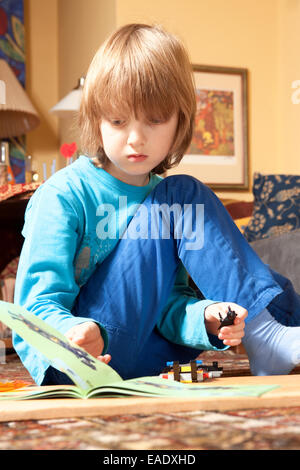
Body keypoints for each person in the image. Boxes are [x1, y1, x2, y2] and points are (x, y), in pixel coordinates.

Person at [14, 23, 300, 386]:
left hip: (145, 360)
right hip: (76, 358)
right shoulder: (62, 195)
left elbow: (168, 307)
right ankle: (270, 335)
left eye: (155, 119)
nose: (135, 138)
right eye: (117, 121)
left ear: (180, 120)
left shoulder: (162, 200)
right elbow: (32, 309)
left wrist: (206, 317)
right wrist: (73, 330)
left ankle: (272, 332)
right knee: (183, 193)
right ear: (96, 119)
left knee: (270, 281)